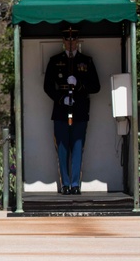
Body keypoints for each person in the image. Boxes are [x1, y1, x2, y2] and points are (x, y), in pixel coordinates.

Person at [43, 25, 101, 195]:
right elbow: (47, 86)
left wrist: (80, 85)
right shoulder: (55, 61)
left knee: (77, 147)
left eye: (73, 39)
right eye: (67, 39)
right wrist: (61, 98)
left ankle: (75, 183)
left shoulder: (86, 61)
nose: (70, 43)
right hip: (61, 110)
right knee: (62, 149)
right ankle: (65, 184)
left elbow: (96, 86)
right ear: (63, 41)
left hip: (80, 110)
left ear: (77, 41)